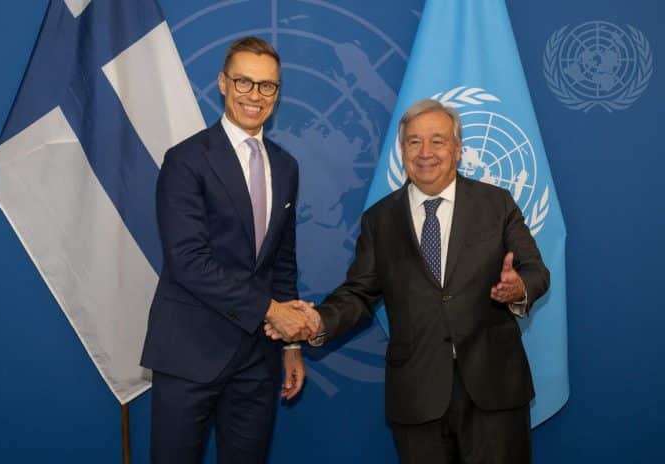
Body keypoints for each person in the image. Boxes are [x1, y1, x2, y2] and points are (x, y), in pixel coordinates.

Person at [267, 99, 550, 463]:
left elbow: (536, 271)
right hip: (417, 395)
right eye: (414, 142)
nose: (426, 152)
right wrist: (318, 321)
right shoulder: (380, 220)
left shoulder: (497, 203)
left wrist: (518, 288)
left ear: (458, 149)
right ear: (401, 151)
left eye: (438, 141)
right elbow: (358, 294)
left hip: (494, 389)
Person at [141, 36, 316, 463]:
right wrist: (272, 311)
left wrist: (290, 346)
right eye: (243, 82)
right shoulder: (186, 160)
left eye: (267, 86)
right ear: (222, 83)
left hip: (258, 358)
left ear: (277, 92)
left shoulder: (286, 166)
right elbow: (188, 263)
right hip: (189, 354)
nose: (255, 96)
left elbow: (282, 259)